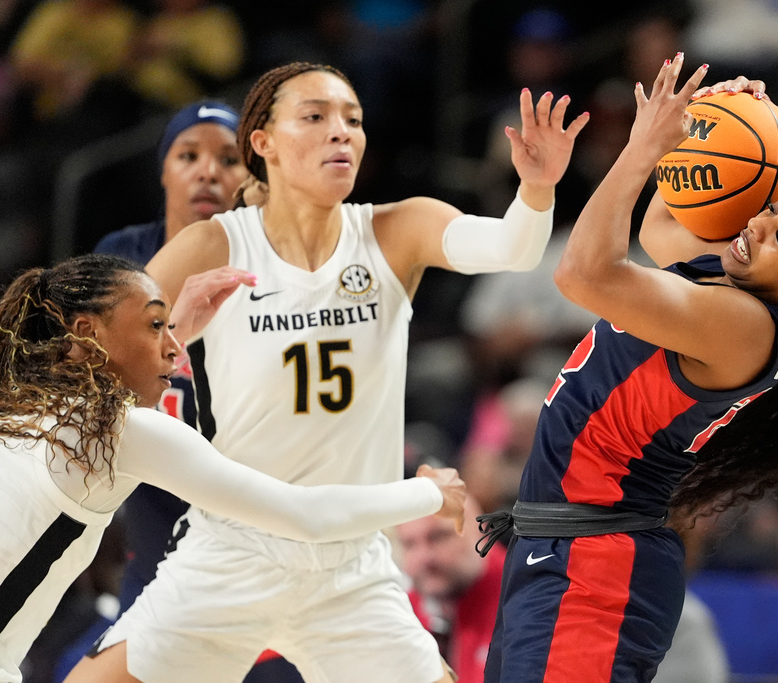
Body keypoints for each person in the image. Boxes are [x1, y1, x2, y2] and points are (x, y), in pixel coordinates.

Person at [66, 60, 588, 683]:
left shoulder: (398, 229)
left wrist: (536, 190)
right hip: (234, 552)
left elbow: (513, 247)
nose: (341, 131)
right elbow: (96, 362)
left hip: (352, 566)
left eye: (353, 119)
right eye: (315, 117)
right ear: (263, 144)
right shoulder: (215, 244)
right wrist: (174, 330)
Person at [476, 54, 778, 682]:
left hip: (597, 568)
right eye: (773, 209)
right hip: (567, 548)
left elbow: (583, 273)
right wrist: (707, 130)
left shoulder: (748, 329)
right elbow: (662, 224)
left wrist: (643, 145)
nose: (756, 227)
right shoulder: (743, 286)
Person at [0, 253, 466, 683]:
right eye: (154, 326)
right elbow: (303, 514)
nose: (173, 349)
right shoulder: (121, 430)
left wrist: (169, 334)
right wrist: (428, 493)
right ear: (86, 335)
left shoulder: (1, 399)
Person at [93, 99, 248, 613]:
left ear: (251, 176)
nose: (208, 171)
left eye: (228, 159)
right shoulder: (119, 255)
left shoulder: (268, 259)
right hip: (155, 505)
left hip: (244, 493)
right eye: (188, 156)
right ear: (162, 170)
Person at [398, 494, 506, 683]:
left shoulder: (526, 600)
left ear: (484, 532)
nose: (424, 557)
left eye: (439, 537)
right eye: (410, 544)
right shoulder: (403, 612)